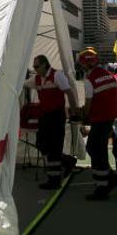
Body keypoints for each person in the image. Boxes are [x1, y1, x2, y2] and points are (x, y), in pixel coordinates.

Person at [23, 55, 79, 190]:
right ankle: (67, 161)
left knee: (54, 147)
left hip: (57, 116)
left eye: (36, 66)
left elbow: (69, 93)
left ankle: (54, 180)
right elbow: (22, 84)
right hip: (45, 116)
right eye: (34, 67)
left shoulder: (57, 75)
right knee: (41, 143)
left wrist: (74, 112)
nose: (35, 69)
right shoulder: (36, 79)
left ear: (44, 65)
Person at [77, 48, 117, 200]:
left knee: (94, 149)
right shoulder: (108, 75)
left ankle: (102, 185)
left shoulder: (90, 80)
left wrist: (82, 117)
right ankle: (109, 177)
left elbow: (88, 104)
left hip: (100, 118)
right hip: (109, 117)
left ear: (85, 64)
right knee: (99, 148)